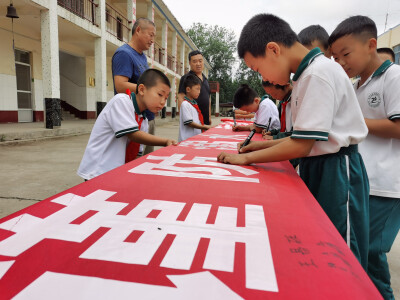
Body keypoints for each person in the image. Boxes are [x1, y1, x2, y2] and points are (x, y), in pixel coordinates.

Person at [217, 14, 370, 270]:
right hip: (320, 165)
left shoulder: (317, 74)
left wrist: (245, 157)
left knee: (343, 258)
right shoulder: (304, 76)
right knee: (322, 248)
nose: (261, 76)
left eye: (258, 68)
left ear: (273, 49)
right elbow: (299, 136)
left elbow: (301, 145)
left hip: (337, 172)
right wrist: (259, 145)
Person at [329, 16, 400, 300]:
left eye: (345, 54)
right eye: (335, 57)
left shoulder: (393, 77)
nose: (341, 62)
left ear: (371, 45)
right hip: (364, 183)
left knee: (370, 254)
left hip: (387, 186)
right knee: (360, 254)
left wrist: (356, 122)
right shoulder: (358, 85)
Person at [78, 69, 177, 180]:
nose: (163, 102)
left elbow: (137, 153)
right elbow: (133, 134)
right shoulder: (121, 101)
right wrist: (165, 142)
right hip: (98, 171)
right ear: (142, 89)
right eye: (160, 94)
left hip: (116, 173)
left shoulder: (143, 119)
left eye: (166, 98)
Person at [112, 18, 157, 157]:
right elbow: (120, 85)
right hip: (133, 119)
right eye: (151, 35)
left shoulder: (142, 57)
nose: (152, 40)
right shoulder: (124, 54)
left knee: (145, 161)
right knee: (133, 160)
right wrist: (149, 91)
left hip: (146, 117)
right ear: (138, 30)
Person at [178, 50, 212, 125]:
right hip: (193, 121)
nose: (198, 64)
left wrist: (209, 116)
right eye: (194, 61)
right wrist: (184, 119)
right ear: (190, 63)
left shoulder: (205, 79)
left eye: (200, 61)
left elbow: (208, 100)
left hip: (205, 121)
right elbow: (181, 98)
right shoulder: (187, 78)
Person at [178, 74, 212, 142]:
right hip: (186, 141)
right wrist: (205, 127)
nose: (199, 92)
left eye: (200, 89)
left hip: (193, 140)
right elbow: (189, 123)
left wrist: (207, 126)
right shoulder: (185, 104)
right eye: (197, 89)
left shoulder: (193, 104)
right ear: (188, 89)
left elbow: (197, 122)